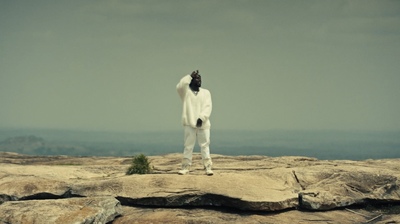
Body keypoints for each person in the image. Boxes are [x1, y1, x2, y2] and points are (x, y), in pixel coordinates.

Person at [176, 70, 213, 175]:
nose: (199, 81)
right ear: (191, 81)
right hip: (189, 123)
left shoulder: (206, 93)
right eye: (197, 79)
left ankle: (208, 167)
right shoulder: (185, 92)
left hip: (204, 124)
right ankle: (185, 167)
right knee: (188, 145)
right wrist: (189, 76)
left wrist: (202, 118)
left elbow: (208, 106)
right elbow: (180, 86)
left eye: (200, 79)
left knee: (205, 145)